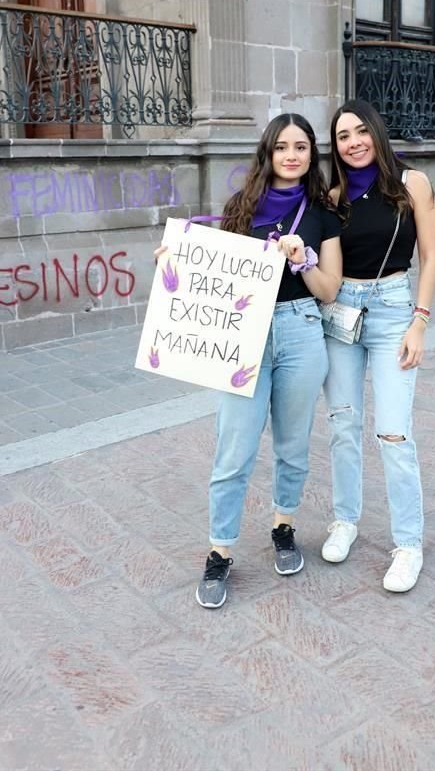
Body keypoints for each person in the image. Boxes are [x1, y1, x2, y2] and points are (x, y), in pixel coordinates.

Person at [158, 113, 342, 608]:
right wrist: (175, 261)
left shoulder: (322, 211)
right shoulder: (241, 207)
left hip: (301, 331)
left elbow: (330, 290)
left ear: (311, 155)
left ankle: (284, 525)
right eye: (282, 146)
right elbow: (215, 277)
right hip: (245, 338)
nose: (291, 155)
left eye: (301, 147)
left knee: (292, 444)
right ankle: (220, 551)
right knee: (234, 447)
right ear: (268, 151)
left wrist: (303, 260)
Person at [321, 99, 435, 593]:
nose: (353, 143)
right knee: (343, 424)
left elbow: (430, 257)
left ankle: (407, 545)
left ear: (376, 132)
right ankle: (345, 520)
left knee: (393, 433)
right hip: (340, 312)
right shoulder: (331, 194)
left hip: (393, 311)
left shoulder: (412, 184)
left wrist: (420, 323)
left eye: (360, 132)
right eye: (343, 136)